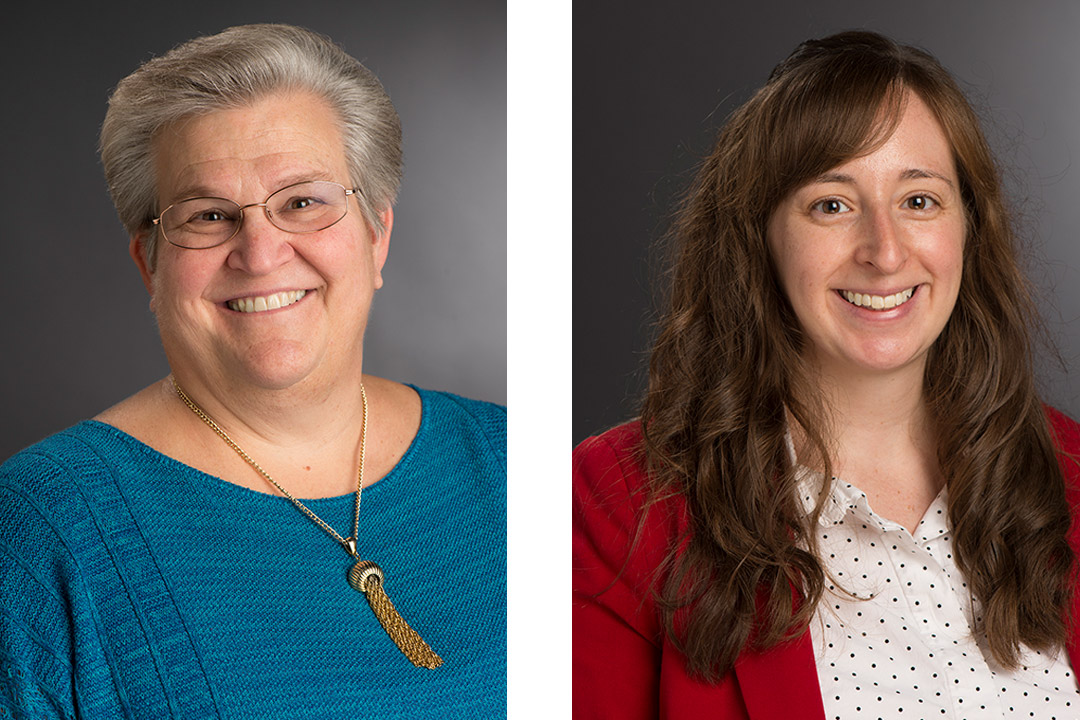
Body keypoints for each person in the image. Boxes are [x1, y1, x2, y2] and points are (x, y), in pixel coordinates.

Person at [0, 24, 505, 719]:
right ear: (150, 264)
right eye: (208, 215)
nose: (261, 254)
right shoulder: (36, 532)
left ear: (377, 235)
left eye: (302, 201)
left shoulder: (514, 462)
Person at [573, 30, 1080, 719]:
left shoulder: (1071, 475)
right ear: (760, 238)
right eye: (832, 205)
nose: (885, 251)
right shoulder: (616, 505)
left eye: (920, 200)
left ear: (970, 228)